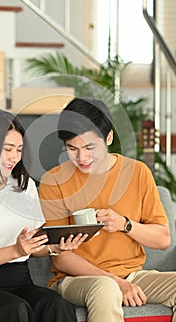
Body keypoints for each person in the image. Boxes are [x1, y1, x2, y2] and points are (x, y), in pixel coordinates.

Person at [39, 97, 176, 322]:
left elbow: (162, 240)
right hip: (77, 279)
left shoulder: (138, 172)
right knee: (106, 288)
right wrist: (117, 282)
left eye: (90, 147)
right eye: (72, 148)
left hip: (134, 275)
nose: (82, 158)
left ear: (109, 137)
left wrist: (124, 224)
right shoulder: (54, 180)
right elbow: (60, 259)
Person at [0, 109, 87, 322]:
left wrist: (53, 247)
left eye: (19, 150)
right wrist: (15, 250)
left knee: (56, 304)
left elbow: (34, 246)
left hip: (20, 282)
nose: (14, 157)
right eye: (8, 149)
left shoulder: (24, 186)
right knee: (15, 308)